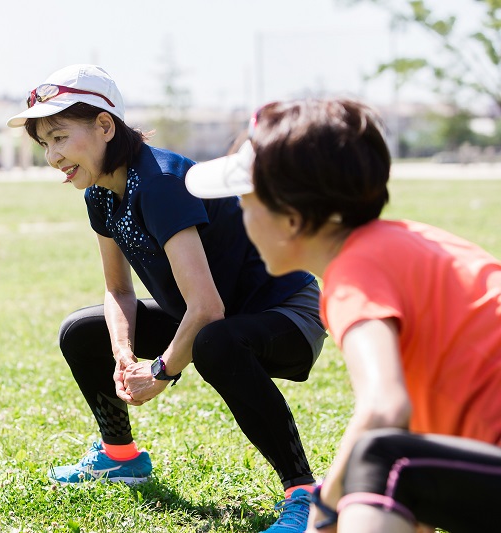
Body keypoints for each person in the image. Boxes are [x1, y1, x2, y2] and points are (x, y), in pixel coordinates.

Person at [7, 64, 328, 532]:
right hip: (213, 317)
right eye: (45, 143)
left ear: (104, 125)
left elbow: (208, 309)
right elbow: (119, 290)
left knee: (216, 341)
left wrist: (159, 371)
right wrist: (122, 353)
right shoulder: (99, 193)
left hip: (285, 313)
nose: (52, 155)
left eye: (59, 136)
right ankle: (121, 457)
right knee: (83, 332)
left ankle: (305, 493)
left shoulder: (159, 182)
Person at [185, 97, 501, 533]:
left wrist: (323, 511)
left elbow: (384, 412)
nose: (240, 213)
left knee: (378, 457)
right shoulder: (403, 245)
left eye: (246, 200)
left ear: (291, 219)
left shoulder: (355, 271)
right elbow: (415, 450)